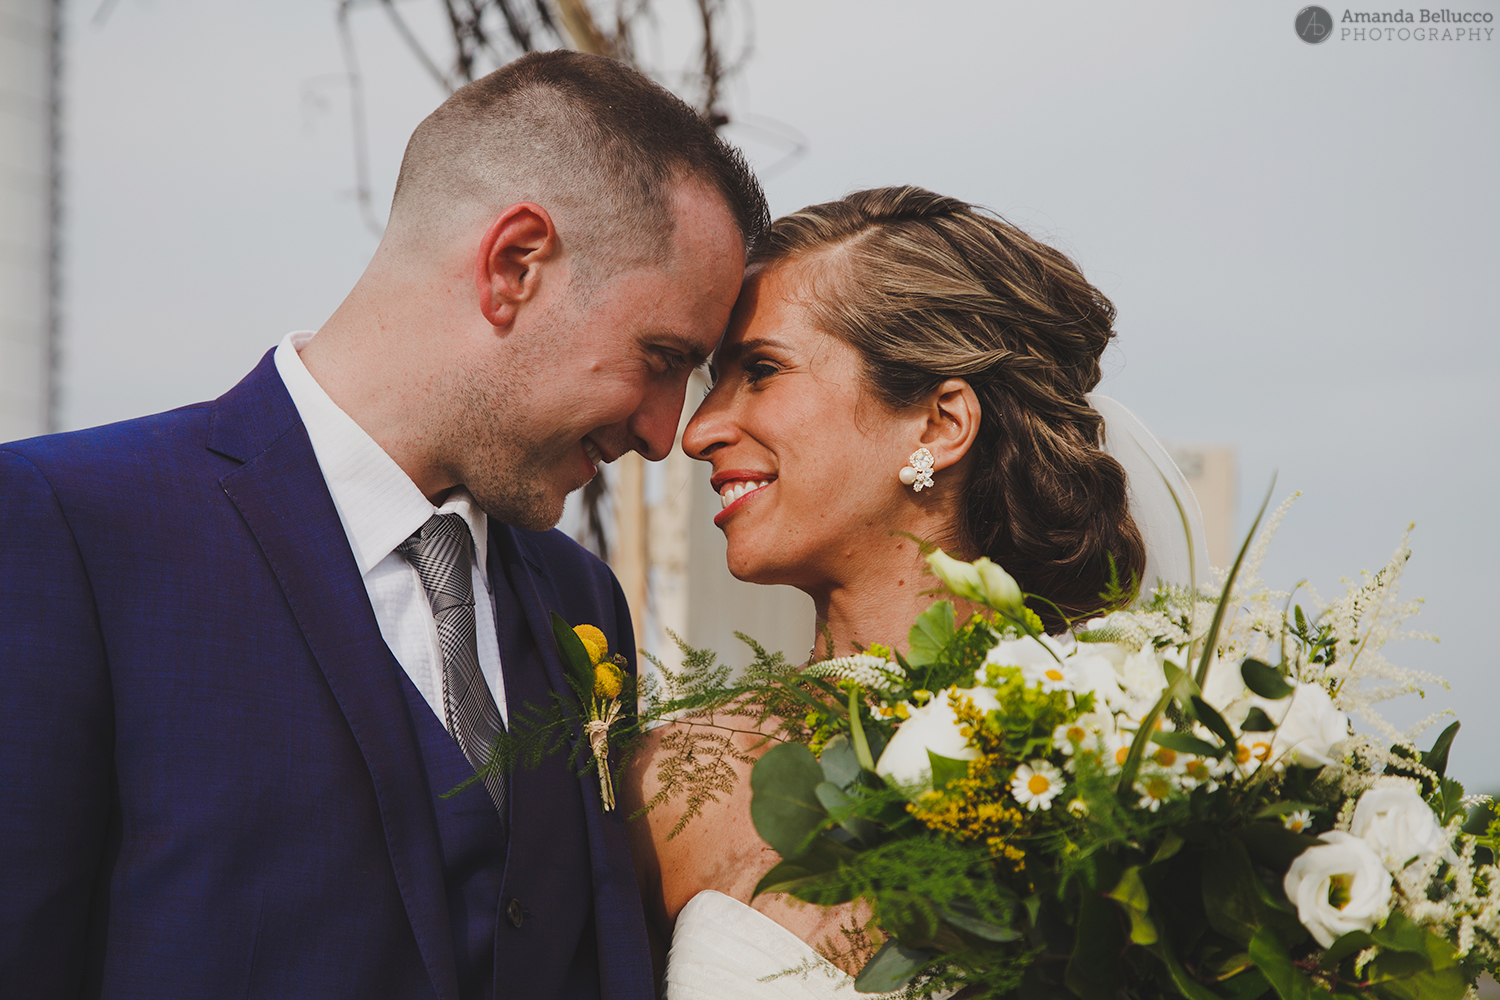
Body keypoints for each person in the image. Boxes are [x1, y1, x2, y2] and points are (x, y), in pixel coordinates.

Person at [0, 51, 766, 999]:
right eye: (660, 357)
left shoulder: (581, 595)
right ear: (514, 264)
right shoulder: (68, 527)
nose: (663, 432)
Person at [623, 186, 1207, 998]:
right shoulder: (673, 781)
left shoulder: (1145, 764)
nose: (699, 430)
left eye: (760, 371)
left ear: (938, 425)